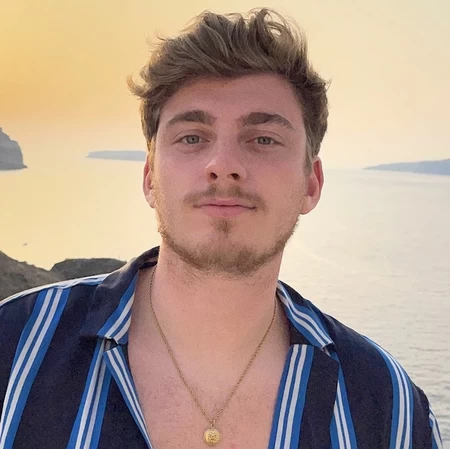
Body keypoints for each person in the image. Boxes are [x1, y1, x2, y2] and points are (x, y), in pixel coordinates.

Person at [0, 8, 443, 449]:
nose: (223, 165)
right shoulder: (14, 348)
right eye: (192, 137)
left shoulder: (389, 409)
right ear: (150, 178)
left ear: (311, 184)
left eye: (263, 139)